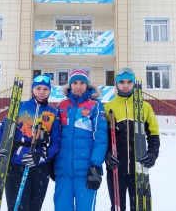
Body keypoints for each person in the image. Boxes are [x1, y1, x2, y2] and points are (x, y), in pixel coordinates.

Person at [0, 75, 60, 211]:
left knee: (35, 207)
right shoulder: (19, 108)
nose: (42, 91)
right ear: (32, 89)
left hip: (40, 167)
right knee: (17, 207)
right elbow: (2, 130)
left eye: (45, 89)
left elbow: (56, 143)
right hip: (16, 164)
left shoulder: (52, 113)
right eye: (38, 88)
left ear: (50, 91)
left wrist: (42, 156)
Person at [103, 68, 160, 211]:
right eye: (122, 82)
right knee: (117, 207)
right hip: (116, 167)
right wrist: (106, 155)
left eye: (129, 82)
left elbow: (153, 134)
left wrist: (152, 154)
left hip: (138, 167)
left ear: (134, 83)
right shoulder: (108, 107)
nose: (125, 85)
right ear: (116, 84)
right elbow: (101, 138)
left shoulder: (145, 107)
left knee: (140, 206)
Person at [53, 68, 108, 211]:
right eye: (75, 83)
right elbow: (55, 136)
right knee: (61, 208)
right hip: (63, 170)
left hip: (86, 170)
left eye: (82, 83)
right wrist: (52, 162)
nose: (78, 86)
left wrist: (96, 165)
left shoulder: (95, 105)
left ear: (87, 85)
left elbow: (100, 137)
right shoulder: (62, 105)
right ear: (69, 85)